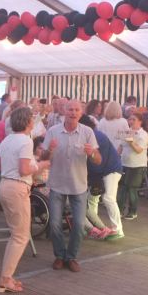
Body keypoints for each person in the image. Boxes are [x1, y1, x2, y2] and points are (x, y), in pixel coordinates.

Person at [0, 107, 50, 293]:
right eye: (32, 118)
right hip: (17, 187)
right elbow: (24, 170)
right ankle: (5, 279)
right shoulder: (26, 141)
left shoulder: (7, 139)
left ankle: (6, 276)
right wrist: (41, 164)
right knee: (21, 236)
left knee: (16, 234)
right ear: (28, 122)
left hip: (4, 185)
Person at [42, 100, 101, 272]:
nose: (73, 113)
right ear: (64, 111)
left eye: (76, 110)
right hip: (57, 184)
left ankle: (71, 257)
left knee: (80, 225)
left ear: (81, 113)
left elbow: (98, 160)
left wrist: (92, 153)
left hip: (78, 186)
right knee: (54, 224)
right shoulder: (53, 131)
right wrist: (49, 150)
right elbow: (43, 157)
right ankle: (60, 256)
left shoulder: (87, 132)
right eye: (70, 110)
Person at [79, 115, 122, 240]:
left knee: (108, 198)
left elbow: (97, 161)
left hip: (111, 170)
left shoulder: (96, 136)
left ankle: (118, 229)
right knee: (92, 199)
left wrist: (91, 177)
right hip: (101, 171)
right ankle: (96, 229)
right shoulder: (92, 135)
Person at [117, 112, 148, 220]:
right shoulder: (126, 132)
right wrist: (115, 158)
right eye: (129, 119)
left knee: (132, 189)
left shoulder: (143, 134)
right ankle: (119, 211)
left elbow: (139, 150)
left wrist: (131, 142)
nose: (130, 121)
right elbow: (121, 146)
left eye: (133, 119)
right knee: (122, 188)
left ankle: (133, 211)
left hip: (137, 165)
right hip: (124, 164)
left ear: (140, 121)